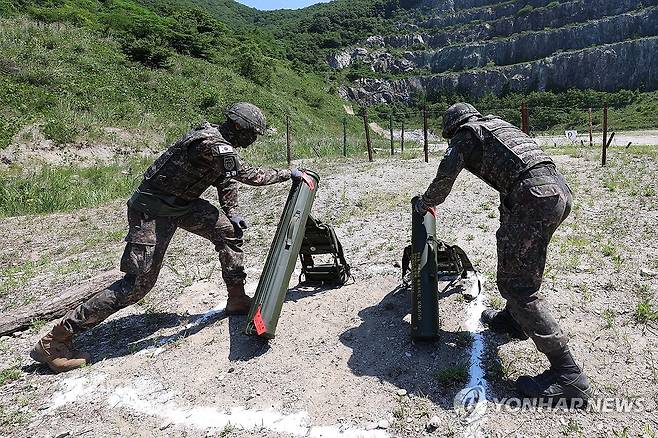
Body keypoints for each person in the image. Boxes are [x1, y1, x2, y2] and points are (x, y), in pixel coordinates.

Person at [31, 102, 304, 373]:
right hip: (152, 210)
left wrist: (231, 211)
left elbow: (225, 179)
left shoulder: (221, 145)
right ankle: (56, 340)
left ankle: (236, 298)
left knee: (227, 232)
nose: (253, 139)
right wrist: (287, 174)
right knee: (138, 284)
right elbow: (245, 174)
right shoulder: (213, 144)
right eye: (252, 133)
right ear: (236, 126)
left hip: (182, 204)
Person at [413, 103, 592, 403]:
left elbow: (443, 181)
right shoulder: (495, 125)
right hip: (555, 190)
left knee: (518, 286)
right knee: (517, 265)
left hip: (532, 196)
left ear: (452, 129)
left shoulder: (466, 135)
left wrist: (424, 202)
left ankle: (568, 374)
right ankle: (514, 320)